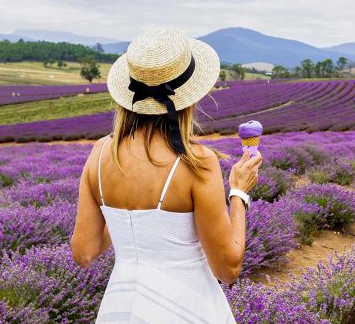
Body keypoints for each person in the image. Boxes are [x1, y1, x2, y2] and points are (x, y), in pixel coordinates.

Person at [71, 28, 261, 323]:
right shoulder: (196, 162)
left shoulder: (99, 153)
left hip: (119, 309)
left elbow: (84, 252)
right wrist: (239, 192)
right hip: (185, 307)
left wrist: (126, 219)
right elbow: (228, 268)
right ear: (190, 95)